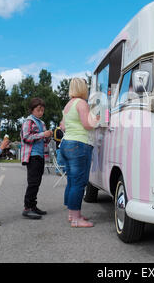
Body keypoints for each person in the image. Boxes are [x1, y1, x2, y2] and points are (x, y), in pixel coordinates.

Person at [60, 78, 100, 228]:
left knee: (72, 181)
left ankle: (72, 215)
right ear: (83, 88)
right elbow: (87, 125)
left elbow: (62, 126)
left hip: (67, 143)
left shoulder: (68, 105)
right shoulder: (82, 103)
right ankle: (77, 220)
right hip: (79, 144)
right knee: (79, 183)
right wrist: (97, 119)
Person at [20, 98, 53, 220]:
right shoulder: (28, 122)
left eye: (42, 110)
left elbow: (44, 140)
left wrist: (48, 136)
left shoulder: (42, 123)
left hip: (40, 155)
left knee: (37, 182)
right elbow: (26, 137)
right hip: (32, 155)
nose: (40, 112)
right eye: (38, 110)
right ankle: (27, 208)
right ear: (32, 109)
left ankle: (33, 206)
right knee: (33, 182)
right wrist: (42, 134)